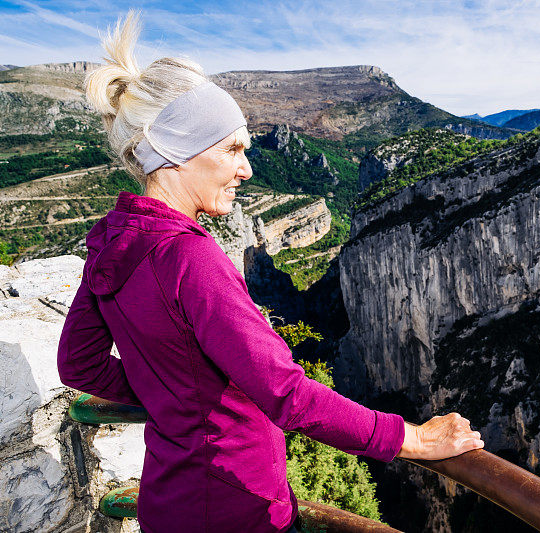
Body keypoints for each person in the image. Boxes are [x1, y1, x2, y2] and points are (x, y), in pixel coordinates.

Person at [56, 10, 484, 533]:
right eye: (233, 149)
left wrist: (174, 397)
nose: (247, 169)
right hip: (234, 505)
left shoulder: (111, 238)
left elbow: (78, 364)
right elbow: (286, 394)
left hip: (168, 501)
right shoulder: (189, 258)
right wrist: (412, 438)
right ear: (178, 148)